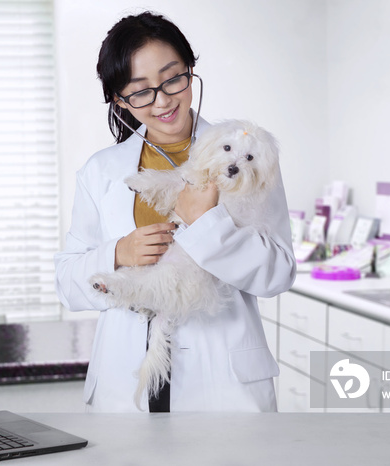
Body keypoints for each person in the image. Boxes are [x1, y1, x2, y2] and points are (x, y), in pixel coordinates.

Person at [54, 11, 296, 413]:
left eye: (172, 79)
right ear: (120, 99)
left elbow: (278, 272)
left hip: (223, 384)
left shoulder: (247, 157)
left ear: (190, 71)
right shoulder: (100, 172)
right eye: (140, 91)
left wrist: (206, 224)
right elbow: (67, 282)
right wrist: (119, 253)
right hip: (124, 379)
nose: (163, 100)